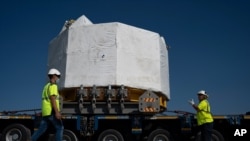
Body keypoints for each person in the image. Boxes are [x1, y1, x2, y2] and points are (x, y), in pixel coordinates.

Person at [32, 68, 64, 141]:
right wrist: (57, 112)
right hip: (51, 112)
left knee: (41, 130)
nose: (58, 78)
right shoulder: (53, 86)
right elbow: (52, 99)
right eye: (58, 76)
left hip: (46, 113)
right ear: (53, 76)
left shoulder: (46, 86)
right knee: (60, 127)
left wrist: (42, 112)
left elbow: (45, 101)